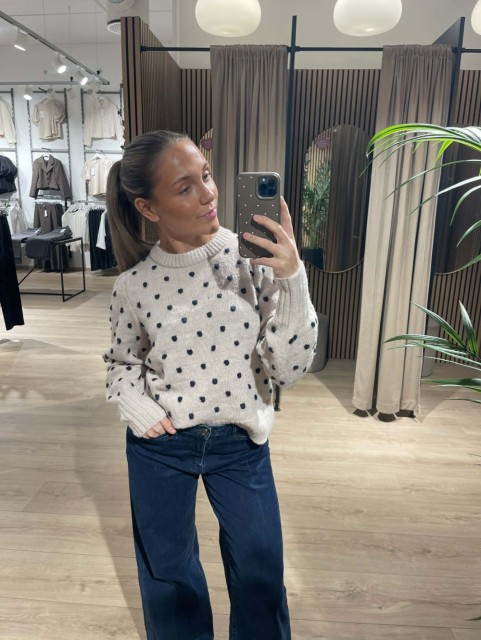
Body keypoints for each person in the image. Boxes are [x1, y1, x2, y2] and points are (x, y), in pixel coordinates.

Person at [103, 130, 318, 640]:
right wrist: (136, 406)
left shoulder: (253, 261)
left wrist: (293, 278)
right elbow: (120, 363)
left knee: (261, 575)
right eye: (185, 187)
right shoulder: (133, 285)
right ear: (148, 208)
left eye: (207, 175)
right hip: (161, 447)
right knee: (169, 578)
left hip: (242, 444)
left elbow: (289, 368)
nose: (208, 194)